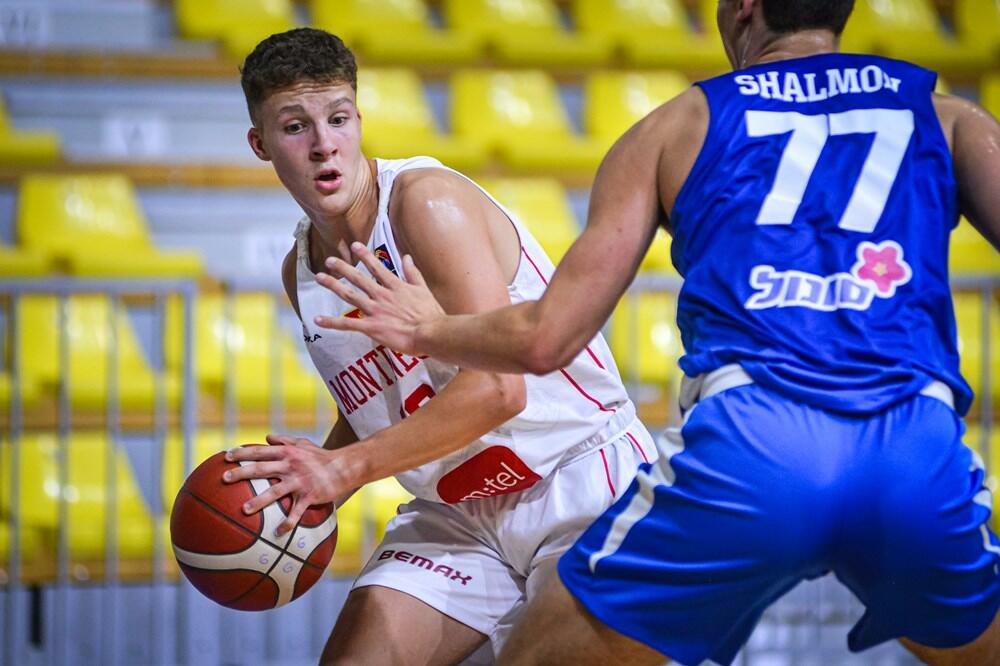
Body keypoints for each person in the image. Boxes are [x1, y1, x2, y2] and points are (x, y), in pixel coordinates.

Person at [315, 0, 1000, 663]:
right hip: (913, 444)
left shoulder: (677, 127)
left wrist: (429, 328)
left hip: (753, 447)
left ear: (744, 8)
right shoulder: (952, 118)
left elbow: (545, 340)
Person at [220, 27, 656, 665]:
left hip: (578, 478)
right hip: (457, 514)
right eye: (295, 127)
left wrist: (349, 469)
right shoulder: (302, 271)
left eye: (338, 119)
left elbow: (497, 389)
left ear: (359, 120)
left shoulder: (425, 206)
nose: (323, 146)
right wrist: (324, 472)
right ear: (261, 144)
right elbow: (383, 395)